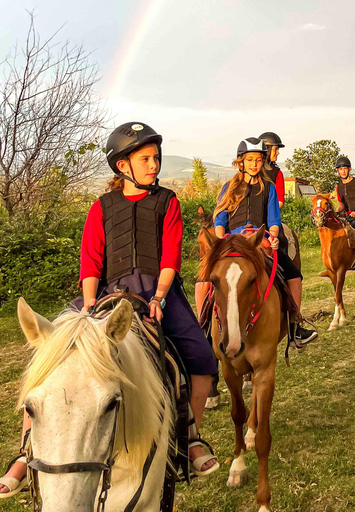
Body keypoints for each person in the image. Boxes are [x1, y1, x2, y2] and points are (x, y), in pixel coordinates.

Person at [0, 122, 222, 497]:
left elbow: (169, 259)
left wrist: (159, 297)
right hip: (105, 290)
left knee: (202, 356)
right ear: (123, 166)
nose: (154, 165)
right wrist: (88, 303)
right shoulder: (101, 207)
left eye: (155, 158)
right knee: (50, 352)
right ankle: (26, 451)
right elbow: (90, 261)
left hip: (158, 289)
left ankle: (189, 436)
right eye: (146, 159)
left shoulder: (168, 202)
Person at [213, 137, 318, 345]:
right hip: (232, 242)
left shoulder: (268, 188)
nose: (254, 164)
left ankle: (294, 325)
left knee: (294, 275)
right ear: (240, 162)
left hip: (260, 243)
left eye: (258, 160)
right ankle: (205, 331)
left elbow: (273, 221)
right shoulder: (229, 188)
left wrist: (273, 235)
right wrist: (219, 240)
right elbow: (219, 219)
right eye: (250, 159)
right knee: (203, 281)